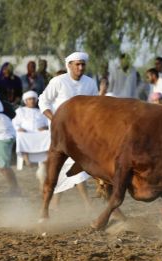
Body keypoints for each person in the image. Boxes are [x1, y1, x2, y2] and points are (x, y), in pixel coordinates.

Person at [38, 51, 98, 209]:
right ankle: (86, 204)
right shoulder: (58, 81)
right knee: (62, 167)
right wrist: (54, 119)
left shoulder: (90, 83)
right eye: (77, 64)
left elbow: (96, 106)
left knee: (74, 166)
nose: (80, 67)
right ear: (69, 65)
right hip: (62, 132)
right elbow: (43, 101)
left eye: (83, 64)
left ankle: (57, 204)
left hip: (83, 133)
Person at [12, 90, 50, 168]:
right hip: (26, 132)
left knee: (49, 134)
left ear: (36, 100)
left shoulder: (41, 111)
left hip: (39, 133)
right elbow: (14, 123)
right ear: (25, 101)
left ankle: (46, 158)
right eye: (29, 99)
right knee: (20, 135)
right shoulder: (20, 111)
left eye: (33, 99)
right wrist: (18, 128)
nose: (32, 101)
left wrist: (45, 127)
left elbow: (48, 123)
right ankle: (26, 159)